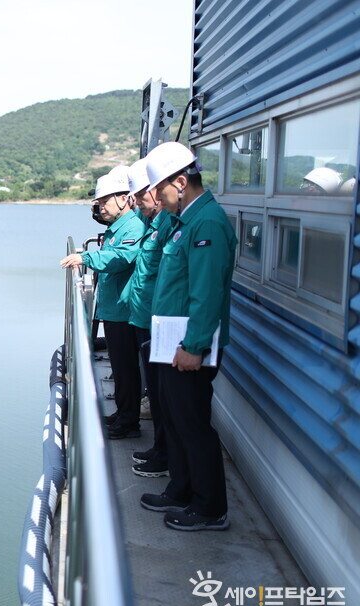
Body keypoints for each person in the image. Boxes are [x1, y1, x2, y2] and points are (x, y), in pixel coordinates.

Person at [138, 141, 237, 532]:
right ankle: (180, 489)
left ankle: (209, 507)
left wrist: (194, 346)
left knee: (193, 425)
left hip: (188, 347)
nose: (158, 201)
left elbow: (207, 292)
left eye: (160, 191)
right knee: (176, 420)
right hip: (171, 344)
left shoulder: (206, 222)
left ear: (181, 181)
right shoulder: (184, 221)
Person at [61, 166, 146, 438]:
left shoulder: (132, 226)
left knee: (127, 368)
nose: (101, 207)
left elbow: (121, 258)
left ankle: (129, 422)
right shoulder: (116, 227)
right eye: (98, 202)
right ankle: (123, 413)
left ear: (124, 198)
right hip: (114, 308)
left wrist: (85, 258)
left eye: (105, 201)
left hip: (124, 310)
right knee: (120, 368)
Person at [120, 158, 174, 477]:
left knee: (164, 396)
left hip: (159, 324)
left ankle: (165, 455)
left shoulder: (167, 224)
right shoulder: (152, 222)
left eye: (141, 195)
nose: (137, 201)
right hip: (145, 320)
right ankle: (160, 448)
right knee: (155, 393)